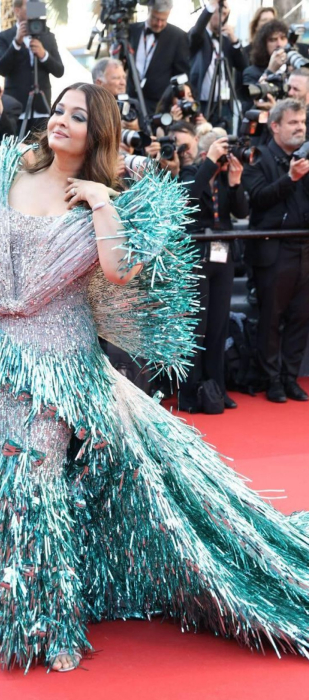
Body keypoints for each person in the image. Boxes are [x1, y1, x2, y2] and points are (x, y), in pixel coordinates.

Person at [0, 81, 309, 673]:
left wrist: (103, 201)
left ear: (97, 131)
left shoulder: (108, 199)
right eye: (57, 110)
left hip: (63, 368)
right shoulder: (10, 174)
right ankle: (12, 607)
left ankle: (47, 623)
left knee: (39, 481)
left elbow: (118, 271)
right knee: (0, 481)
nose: (59, 121)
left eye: (76, 116)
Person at [178, 126, 250, 413]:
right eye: (219, 156)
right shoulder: (191, 174)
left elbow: (242, 212)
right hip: (196, 257)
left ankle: (216, 388)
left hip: (223, 257)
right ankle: (191, 391)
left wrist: (235, 182)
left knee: (219, 326)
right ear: (207, 155)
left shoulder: (223, 178)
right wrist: (208, 165)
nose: (223, 162)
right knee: (198, 326)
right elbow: (187, 201)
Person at [242, 98, 309, 403]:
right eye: (293, 122)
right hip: (273, 252)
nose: (300, 128)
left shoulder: (305, 158)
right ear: (275, 127)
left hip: (303, 249)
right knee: (270, 318)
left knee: (300, 317)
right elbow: (257, 199)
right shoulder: (258, 157)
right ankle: (272, 380)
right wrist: (290, 178)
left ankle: (290, 377)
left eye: (303, 122)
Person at [0, 0, 64, 133]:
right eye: (30, 4)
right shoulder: (4, 37)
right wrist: (16, 43)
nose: (35, 8)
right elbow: (1, 69)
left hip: (42, 107)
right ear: (17, 10)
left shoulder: (47, 36)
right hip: (16, 107)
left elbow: (59, 71)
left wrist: (44, 55)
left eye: (36, 4)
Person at [189, 0, 246, 130]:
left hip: (224, 103)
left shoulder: (226, 41)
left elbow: (243, 66)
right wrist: (211, 7)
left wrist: (235, 41)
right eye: (218, 12)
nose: (222, 17)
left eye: (225, 14)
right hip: (203, 102)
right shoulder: (201, 36)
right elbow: (195, 34)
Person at [128, 0, 189, 118]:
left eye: (164, 20)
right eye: (155, 18)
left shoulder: (178, 36)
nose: (159, 23)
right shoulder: (131, 30)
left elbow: (181, 72)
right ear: (148, 11)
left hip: (158, 105)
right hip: (131, 101)